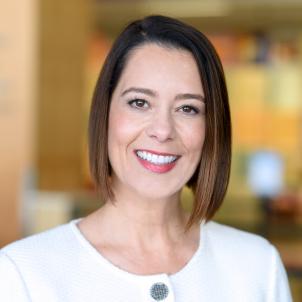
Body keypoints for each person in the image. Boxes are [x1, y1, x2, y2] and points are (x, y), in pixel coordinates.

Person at [0, 15, 292, 302]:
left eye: (188, 108)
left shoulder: (258, 268)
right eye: (140, 103)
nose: (163, 130)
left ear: (212, 128)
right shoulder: (24, 274)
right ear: (105, 113)